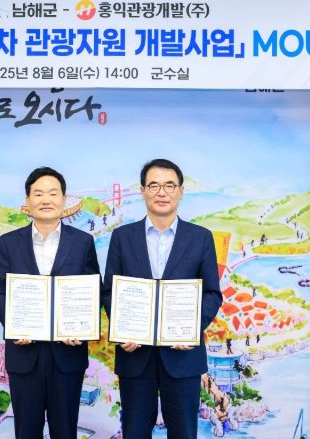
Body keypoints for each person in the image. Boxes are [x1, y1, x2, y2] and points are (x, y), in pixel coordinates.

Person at [103, 159, 223, 439]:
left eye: (169, 185)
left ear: (181, 191)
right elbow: (110, 290)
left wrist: (190, 329)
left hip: (183, 356)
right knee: (134, 432)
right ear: (143, 191)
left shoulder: (201, 238)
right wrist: (122, 329)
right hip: (135, 355)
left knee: (183, 433)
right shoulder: (122, 237)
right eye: (154, 185)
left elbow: (212, 293)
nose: (162, 192)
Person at [0, 166, 100, 439]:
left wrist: (81, 327)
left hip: (68, 356)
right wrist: (15, 324)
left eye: (53, 193)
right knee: (27, 432)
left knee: (65, 431)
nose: (46, 200)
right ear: (28, 200)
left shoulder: (83, 242)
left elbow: (94, 290)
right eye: (38, 194)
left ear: (63, 199)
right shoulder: (9, 242)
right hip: (24, 355)